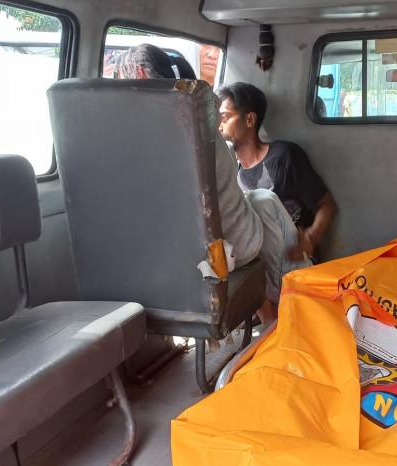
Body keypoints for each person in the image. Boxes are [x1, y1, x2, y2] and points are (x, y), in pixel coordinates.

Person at [117, 45, 308, 325]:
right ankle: (291, 302)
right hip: (218, 252)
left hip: (178, 258)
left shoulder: (139, 138)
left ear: (141, 74)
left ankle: (287, 301)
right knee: (261, 201)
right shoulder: (197, 124)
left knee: (261, 200)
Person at [217, 82, 337, 321]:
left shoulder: (284, 156)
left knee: (259, 201)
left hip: (294, 261)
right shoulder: (230, 172)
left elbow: (327, 205)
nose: (219, 126)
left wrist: (310, 238)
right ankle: (267, 313)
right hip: (259, 268)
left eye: (225, 117)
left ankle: (289, 303)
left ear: (249, 119)